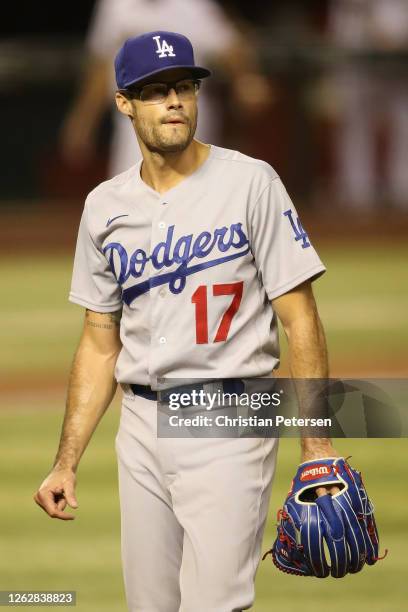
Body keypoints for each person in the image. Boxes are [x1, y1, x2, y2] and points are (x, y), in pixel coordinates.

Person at [34, 31, 338, 612]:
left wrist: (317, 446)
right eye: (154, 91)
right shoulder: (104, 205)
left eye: (183, 87)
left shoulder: (251, 182)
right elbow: (100, 341)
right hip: (141, 422)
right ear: (122, 102)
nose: (173, 101)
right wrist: (66, 461)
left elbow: (300, 318)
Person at [60, 0, 271, 177]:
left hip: (187, 112)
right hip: (134, 115)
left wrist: (247, 79)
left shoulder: (193, 4)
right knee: (130, 199)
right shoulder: (117, 4)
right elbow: (102, 64)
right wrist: (84, 119)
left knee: (191, 197)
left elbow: (230, 46)